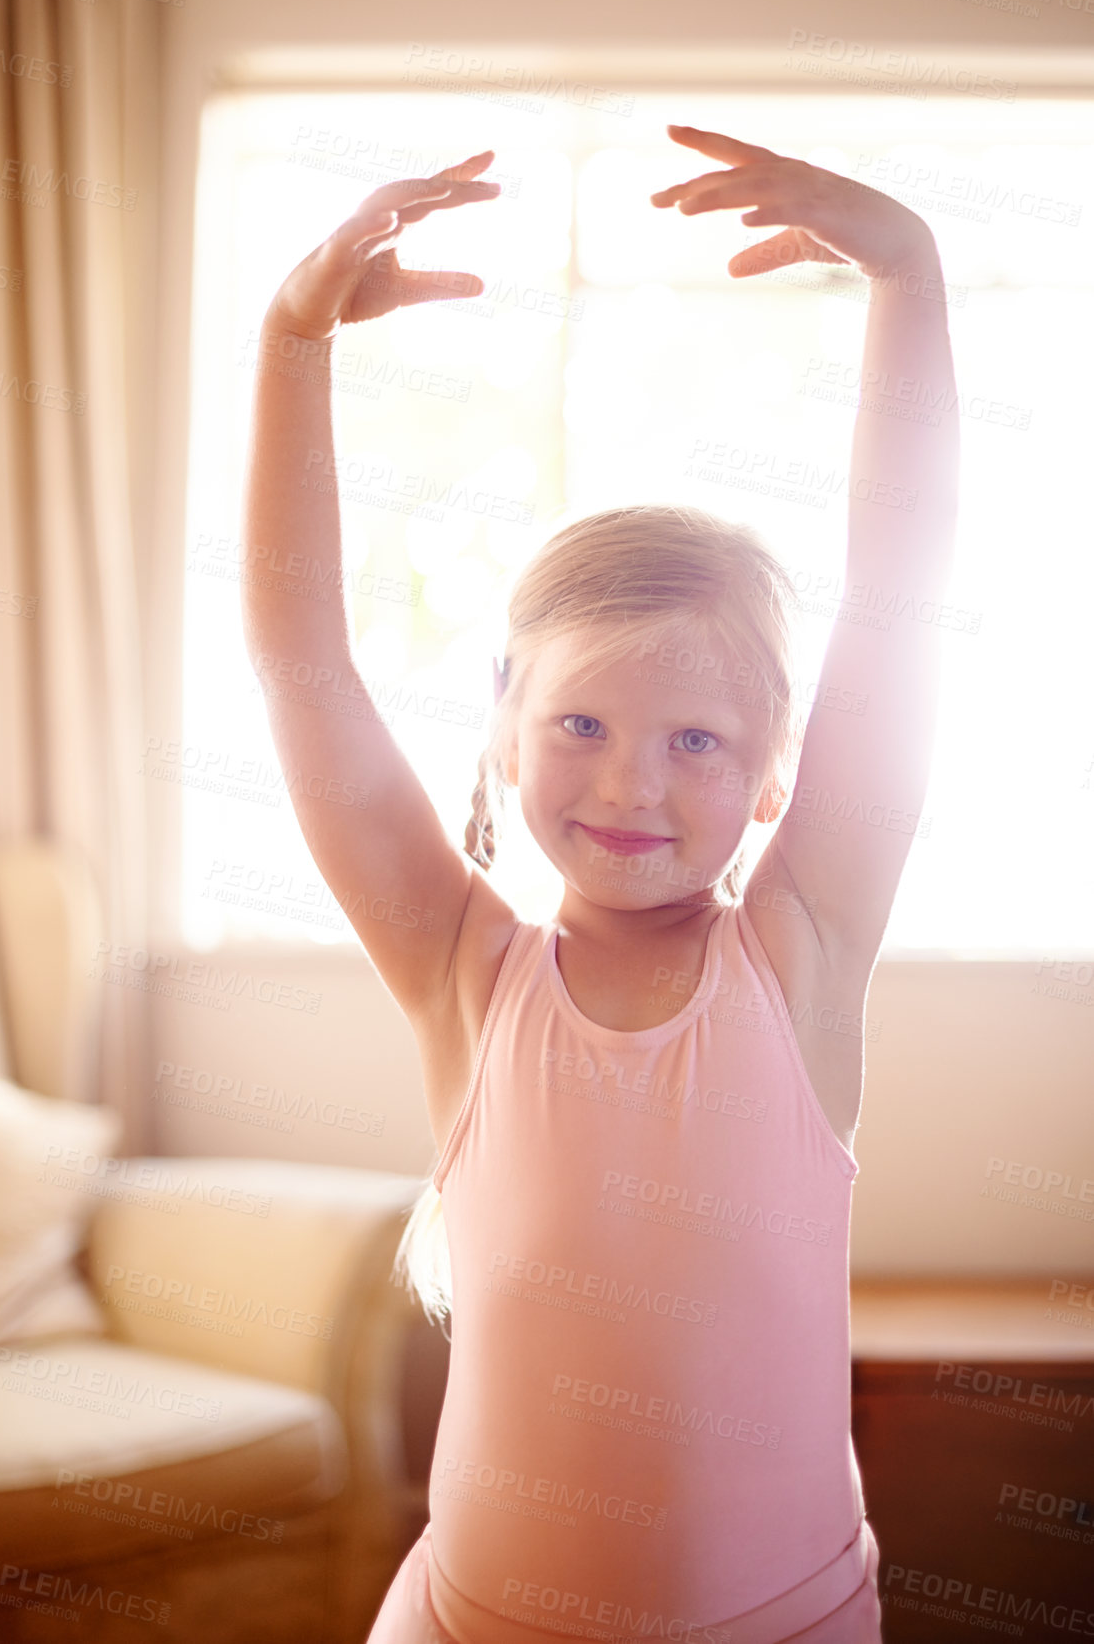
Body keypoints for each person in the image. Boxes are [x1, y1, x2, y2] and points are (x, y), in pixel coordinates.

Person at [240, 127, 959, 1644]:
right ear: (503, 739)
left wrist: (909, 277)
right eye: (581, 724)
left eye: (697, 740)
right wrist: (289, 341)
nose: (633, 782)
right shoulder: (461, 969)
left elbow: (898, 612)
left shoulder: (800, 951)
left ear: (776, 781)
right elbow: (302, 670)